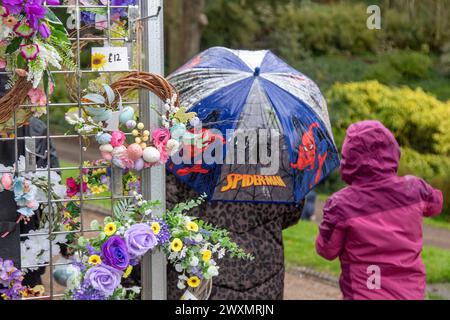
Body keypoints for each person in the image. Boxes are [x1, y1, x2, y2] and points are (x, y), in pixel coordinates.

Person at [315, 120, 443, 300]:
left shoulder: (341, 205)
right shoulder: (414, 189)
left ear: (348, 159)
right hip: (410, 295)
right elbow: (436, 204)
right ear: (392, 151)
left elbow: (326, 250)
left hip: (365, 293)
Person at [166, 173, 304, 300]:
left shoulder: (187, 159)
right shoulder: (281, 163)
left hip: (200, 277)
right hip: (263, 275)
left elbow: (165, 210)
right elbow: (292, 213)